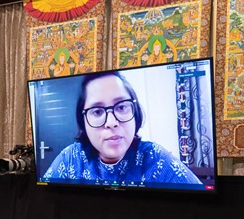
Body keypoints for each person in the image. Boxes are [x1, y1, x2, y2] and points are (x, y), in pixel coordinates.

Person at [43, 71, 202, 185]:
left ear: (135, 113)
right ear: (83, 121)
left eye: (121, 107)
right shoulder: (71, 158)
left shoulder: (156, 159)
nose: (111, 122)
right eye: (97, 111)